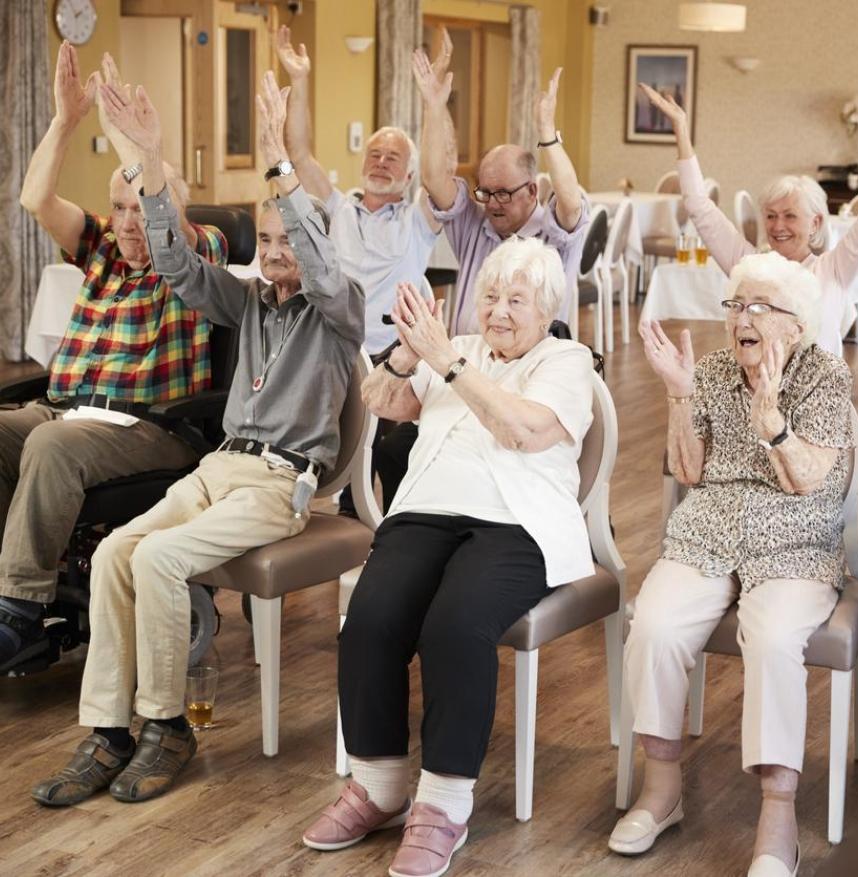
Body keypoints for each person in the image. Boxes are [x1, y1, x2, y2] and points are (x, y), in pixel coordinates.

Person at [30, 71, 363, 807]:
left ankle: (168, 725)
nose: (276, 252)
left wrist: (279, 158)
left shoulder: (340, 312)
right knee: (118, 550)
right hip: (220, 468)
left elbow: (320, 256)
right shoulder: (247, 302)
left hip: (281, 483)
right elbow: (176, 265)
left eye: (288, 241)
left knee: (158, 557)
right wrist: (151, 158)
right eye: (267, 240)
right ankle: (111, 736)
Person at [302, 238, 594, 877]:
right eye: (490, 296)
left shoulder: (568, 359)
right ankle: (378, 787)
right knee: (371, 618)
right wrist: (409, 358)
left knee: (456, 626)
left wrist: (449, 364)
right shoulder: (452, 347)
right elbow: (385, 403)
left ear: (545, 310)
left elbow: (522, 430)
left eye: (517, 300)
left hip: (518, 523)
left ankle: (442, 804)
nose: (498, 311)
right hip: (426, 512)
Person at [609, 252, 853, 876]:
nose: (742, 318)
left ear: (795, 324)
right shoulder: (714, 369)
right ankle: (661, 790)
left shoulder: (823, 375)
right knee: (655, 626)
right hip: (711, 528)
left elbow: (805, 480)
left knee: (773, 639)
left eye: (759, 307)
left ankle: (778, 814)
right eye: (736, 305)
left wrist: (771, 420)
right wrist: (678, 392)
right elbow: (689, 471)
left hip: (795, 537)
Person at [0, 42, 226, 671]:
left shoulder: (195, 256)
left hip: (152, 428)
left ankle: (18, 611)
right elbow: (34, 199)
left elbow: (167, 226)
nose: (130, 223)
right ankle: (6, 590)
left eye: (141, 208)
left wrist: (141, 149)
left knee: (50, 449)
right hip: (66, 412)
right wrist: (66, 120)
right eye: (119, 208)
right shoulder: (99, 248)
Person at [273, 25, 450, 513]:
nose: (381, 162)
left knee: (397, 458)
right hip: (341, 350)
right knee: (340, 457)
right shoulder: (337, 208)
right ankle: (337, 513)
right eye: (374, 154)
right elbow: (298, 154)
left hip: (399, 352)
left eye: (394, 158)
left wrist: (434, 106)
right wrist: (300, 79)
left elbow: (441, 177)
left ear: (409, 174)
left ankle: (396, 523)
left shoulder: (418, 216)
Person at [639, 84, 858, 356]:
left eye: (790, 216)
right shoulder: (748, 264)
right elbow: (699, 207)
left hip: (817, 403)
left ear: (816, 223)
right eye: (771, 216)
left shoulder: (833, 269)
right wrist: (680, 127)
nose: (778, 226)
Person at [413, 40, 590, 336]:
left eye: (504, 194)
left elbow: (570, 202)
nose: (492, 204)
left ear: (532, 191)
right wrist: (433, 105)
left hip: (529, 370)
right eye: (485, 192)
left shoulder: (554, 236)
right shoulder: (474, 224)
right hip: (465, 363)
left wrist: (547, 133)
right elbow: (433, 179)